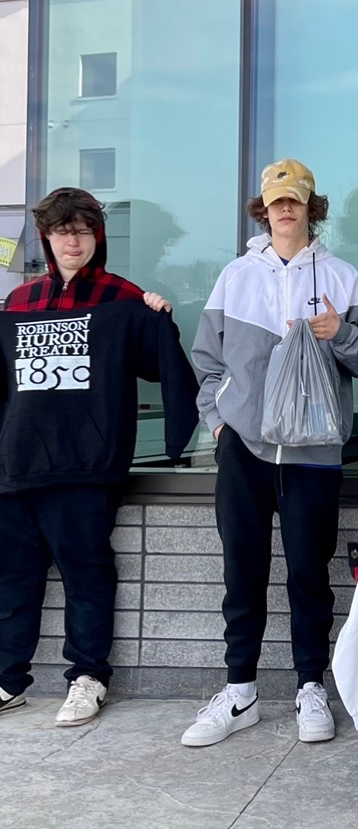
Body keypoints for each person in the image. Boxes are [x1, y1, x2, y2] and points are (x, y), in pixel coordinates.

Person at [185, 157, 358, 750]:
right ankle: (239, 689)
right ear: (264, 209)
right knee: (241, 571)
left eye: (296, 200)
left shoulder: (344, 278)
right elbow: (206, 361)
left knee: (307, 573)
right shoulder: (234, 277)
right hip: (243, 449)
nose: (286, 209)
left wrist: (337, 333)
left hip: (314, 451)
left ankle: (309, 687)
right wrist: (220, 426)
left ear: (312, 207)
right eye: (276, 201)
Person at [0, 186, 195, 726]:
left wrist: (160, 320)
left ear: (97, 237)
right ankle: (7, 677)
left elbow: (161, 368)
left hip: (87, 466)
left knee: (87, 573)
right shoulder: (18, 304)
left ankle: (88, 677)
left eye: (81, 232)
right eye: (62, 233)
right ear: (47, 237)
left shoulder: (124, 300)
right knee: (12, 576)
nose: (72, 242)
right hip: (17, 466)